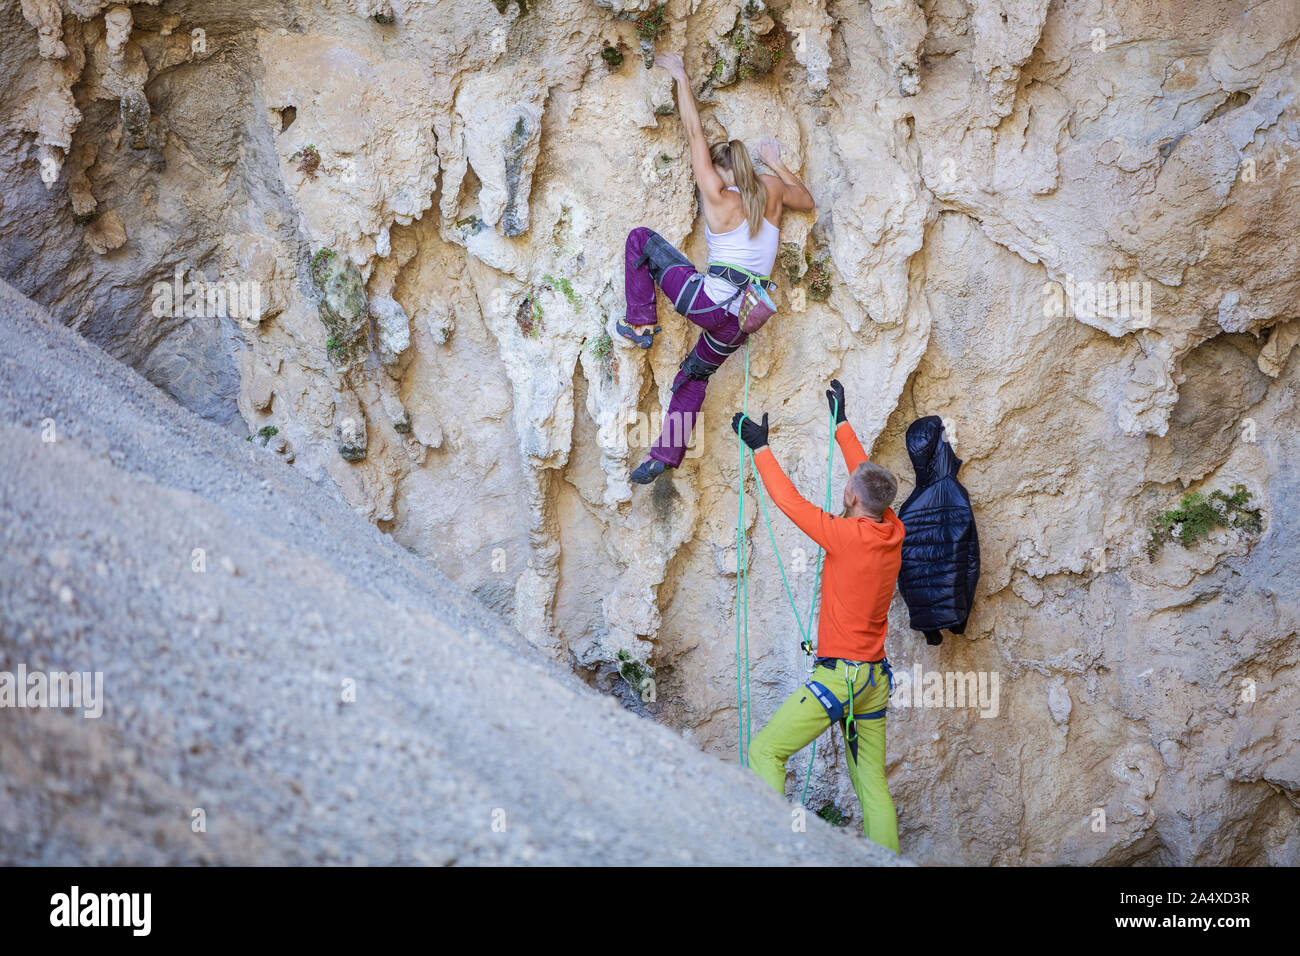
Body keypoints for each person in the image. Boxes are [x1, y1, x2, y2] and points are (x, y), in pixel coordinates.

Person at [622, 51, 816, 485]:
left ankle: (640, 325)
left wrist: (680, 74)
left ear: (723, 171)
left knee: (640, 240)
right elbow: (807, 200)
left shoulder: (718, 194)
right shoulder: (772, 191)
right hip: (742, 320)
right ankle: (663, 457)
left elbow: (693, 132)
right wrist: (778, 164)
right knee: (693, 375)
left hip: (705, 302)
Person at [730, 380, 904, 852]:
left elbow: (790, 503)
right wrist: (841, 424)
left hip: (839, 679)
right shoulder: (894, 529)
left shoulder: (845, 537)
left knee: (766, 749)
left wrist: (760, 448)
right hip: (874, 680)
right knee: (873, 786)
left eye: (849, 487)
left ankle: (766, 851)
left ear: (850, 498)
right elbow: (869, 480)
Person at [896, 416, 980, 646]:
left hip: (922, 615)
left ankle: (931, 630)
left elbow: (904, 570)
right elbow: (971, 561)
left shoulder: (908, 508)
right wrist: (961, 616)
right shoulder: (956, 495)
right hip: (955, 609)